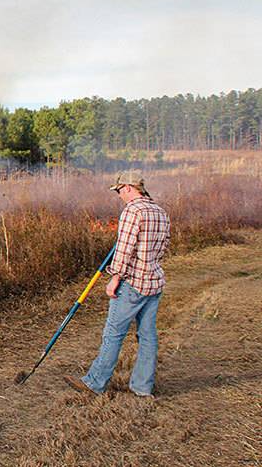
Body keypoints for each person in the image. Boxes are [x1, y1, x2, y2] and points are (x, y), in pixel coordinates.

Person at [64, 169, 170, 397]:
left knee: (113, 333)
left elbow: (123, 250)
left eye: (120, 190)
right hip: (153, 281)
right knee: (148, 336)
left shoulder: (132, 211)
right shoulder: (160, 212)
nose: (119, 195)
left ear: (130, 188)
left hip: (132, 283)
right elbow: (163, 247)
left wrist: (114, 278)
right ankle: (142, 387)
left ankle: (94, 383)